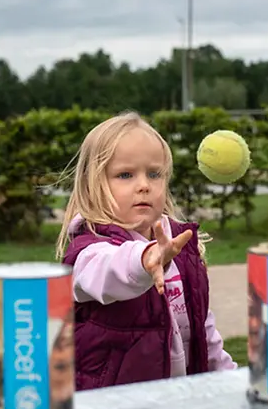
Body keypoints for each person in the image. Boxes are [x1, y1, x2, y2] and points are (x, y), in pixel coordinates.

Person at [55, 112, 236, 391]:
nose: (144, 185)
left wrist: (230, 379)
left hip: (177, 401)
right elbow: (109, 271)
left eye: (154, 174)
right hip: (112, 408)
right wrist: (145, 259)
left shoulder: (180, 247)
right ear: (93, 186)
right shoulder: (88, 250)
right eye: (125, 175)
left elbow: (203, 330)